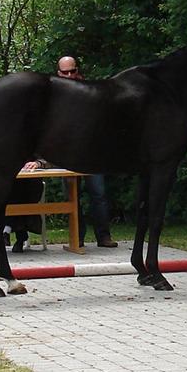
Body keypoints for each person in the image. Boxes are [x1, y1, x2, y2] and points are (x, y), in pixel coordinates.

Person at [56, 56, 117, 248]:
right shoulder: (55, 94)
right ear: (58, 73)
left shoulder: (90, 90)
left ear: (77, 70)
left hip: (92, 153)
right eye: (65, 72)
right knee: (72, 197)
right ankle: (77, 237)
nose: (69, 75)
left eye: (72, 71)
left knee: (98, 193)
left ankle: (103, 236)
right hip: (67, 154)